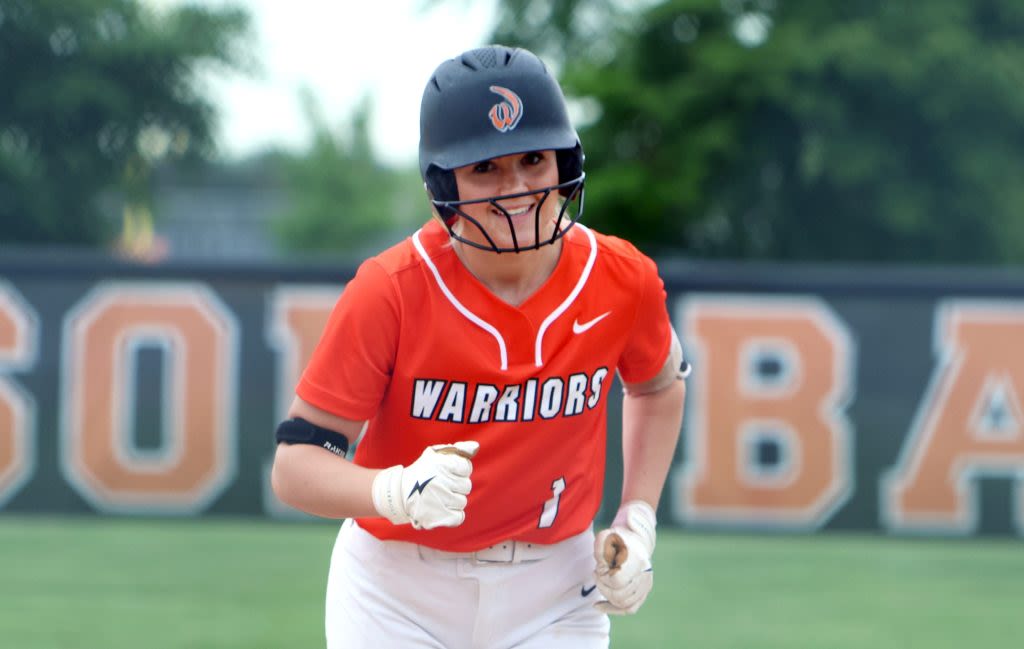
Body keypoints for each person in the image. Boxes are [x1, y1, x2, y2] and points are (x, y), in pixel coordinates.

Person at [270, 44, 688, 649]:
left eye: (534, 159)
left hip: (556, 587)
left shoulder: (621, 277)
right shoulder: (391, 290)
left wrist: (638, 519)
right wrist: (392, 491)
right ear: (444, 183)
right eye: (485, 168)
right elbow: (295, 466)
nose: (515, 187)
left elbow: (658, 384)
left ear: (565, 162)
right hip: (397, 591)